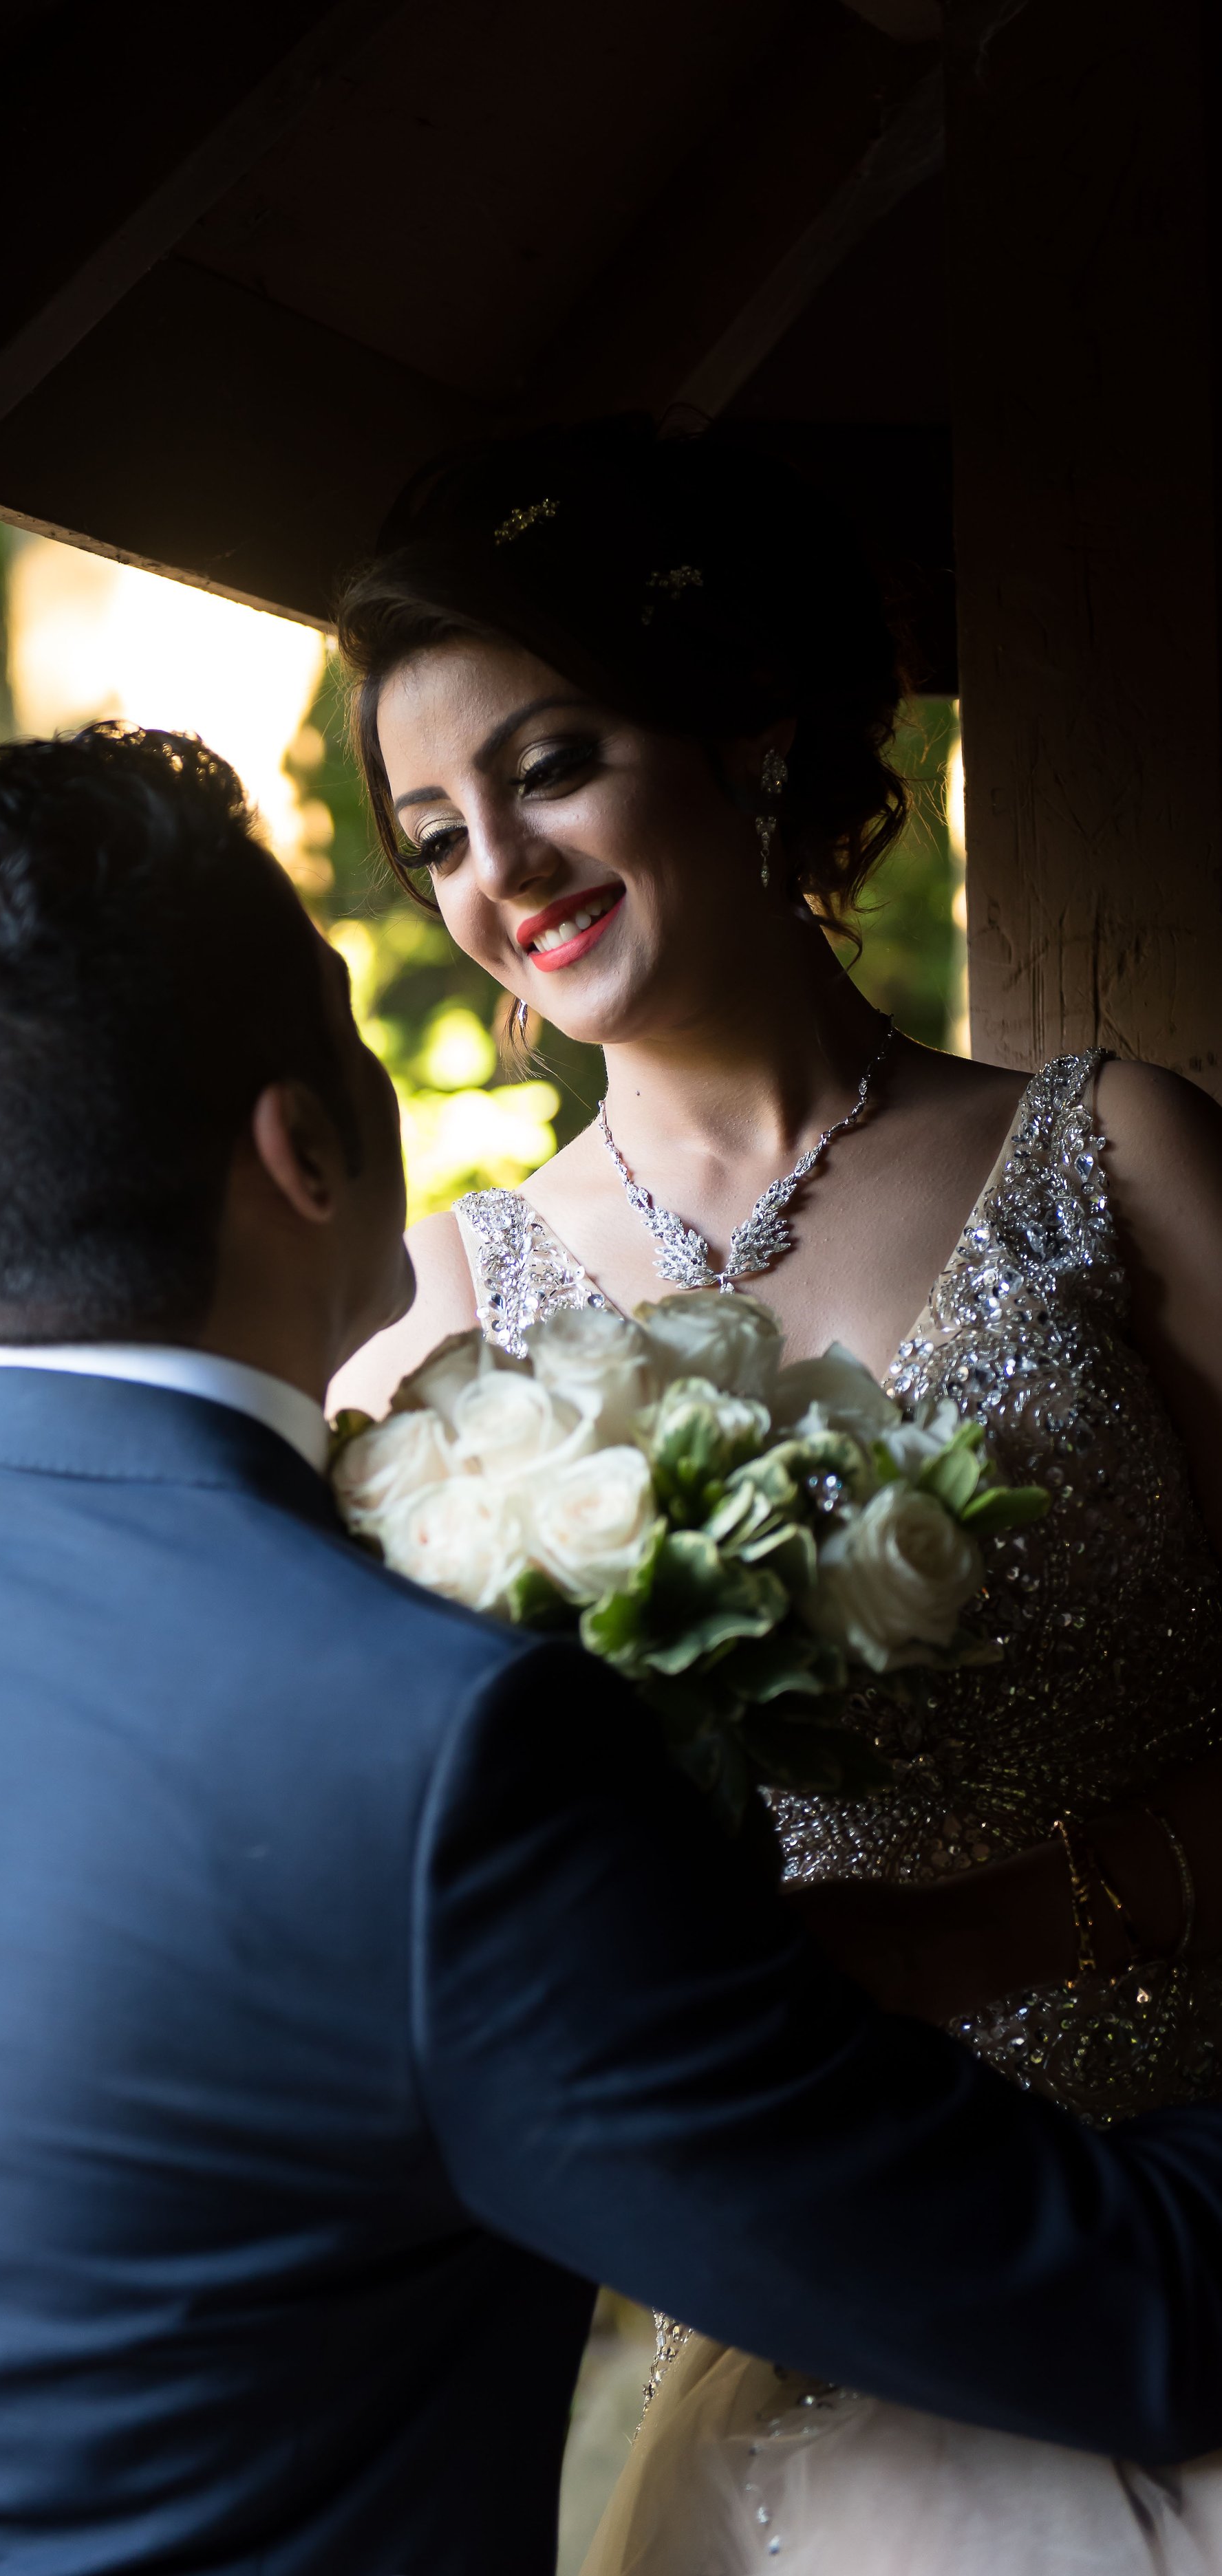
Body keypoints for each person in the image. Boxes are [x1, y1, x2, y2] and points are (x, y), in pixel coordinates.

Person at [328, 414, 1222, 2570]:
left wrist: (987, 1933)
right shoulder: (445, 1318)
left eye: (545, 767)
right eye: (432, 831)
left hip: (1180, 2218)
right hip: (734, 2285)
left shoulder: (1124, 1163)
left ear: (743, 728)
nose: (496, 877)